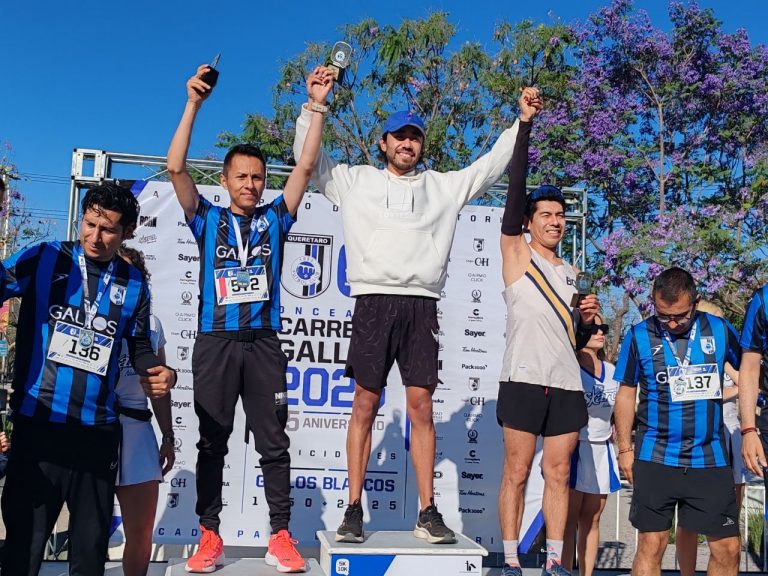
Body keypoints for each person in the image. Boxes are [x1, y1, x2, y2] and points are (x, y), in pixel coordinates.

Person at [293, 68, 535, 546]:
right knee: (365, 403)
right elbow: (309, 160)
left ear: (421, 145)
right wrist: (314, 106)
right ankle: (353, 508)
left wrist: (522, 121)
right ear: (383, 143)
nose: (407, 144)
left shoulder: (443, 187)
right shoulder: (354, 180)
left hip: (422, 305)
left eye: (415, 137)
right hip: (372, 302)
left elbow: (490, 165)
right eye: (399, 137)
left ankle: (427, 511)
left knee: (422, 406)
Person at [167, 63, 330, 573]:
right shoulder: (206, 219)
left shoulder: (276, 219)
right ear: (225, 180)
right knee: (211, 442)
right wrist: (193, 104)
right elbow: (175, 168)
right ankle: (209, 535)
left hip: (263, 344)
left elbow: (305, 168)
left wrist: (317, 105)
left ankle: (280, 535)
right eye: (241, 176)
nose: (251, 184)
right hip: (215, 342)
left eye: (258, 177)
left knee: (274, 443)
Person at [0, 183, 176, 576]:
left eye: (108, 229)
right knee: (24, 546)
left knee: (89, 550)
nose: (95, 236)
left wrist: (164, 373)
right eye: (89, 223)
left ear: (127, 231)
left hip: (96, 433)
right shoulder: (44, 257)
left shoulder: (134, 283)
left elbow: (141, 346)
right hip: (38, 425)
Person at [496, 89, 599, 576]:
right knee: (516, 472)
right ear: (529, 222)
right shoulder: (517, 253)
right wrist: (526, 125)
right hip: (522, 378)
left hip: (565, 383)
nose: (556, 222)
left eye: (560, 215)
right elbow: (516, 187)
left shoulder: (572, 272)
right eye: (546, 215)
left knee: (558, 473)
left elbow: (573, 342)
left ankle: (555, 560)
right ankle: (511, 559)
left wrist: (587, 322)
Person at [614, 267, 741, 576]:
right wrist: (624, 449)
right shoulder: (638, 335)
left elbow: (748, 372)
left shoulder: (720, 330)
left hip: (709, 458)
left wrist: (749, 428)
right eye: (663, 316)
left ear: (696, 302)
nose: (671, 324)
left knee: (727, 548)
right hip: (656, 456)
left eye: (680, 317)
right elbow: (626, 393)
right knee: (651, 544)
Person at [114, 245, 174, 576]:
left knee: (140, 534)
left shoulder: (151, 324)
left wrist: (168, 436)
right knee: (89, 530)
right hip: (93, 427)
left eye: (129, 273)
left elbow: (158, 386)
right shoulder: (90, 314)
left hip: (137, 431)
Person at [675, 300, 744, 576]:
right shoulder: (683, 357)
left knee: (729, 519)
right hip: (695, 438)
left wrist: (726, 386)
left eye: (720, 321)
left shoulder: (727, 357)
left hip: (729, 435)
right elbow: (685, 393)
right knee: (688, 519)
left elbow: (747, 383)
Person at [562, 315, 620, 576]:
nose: (600, 333)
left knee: (592, 518)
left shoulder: (612, 370)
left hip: (602, 449)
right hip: (575, 447)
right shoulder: (570, 367)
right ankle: (563, 571)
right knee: (568, 521)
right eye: (593, 328)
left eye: (603, 328)